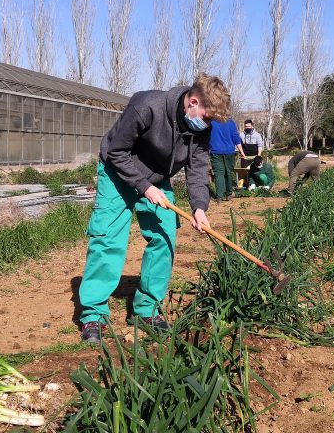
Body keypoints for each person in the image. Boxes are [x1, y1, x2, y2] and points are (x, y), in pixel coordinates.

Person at [77, 73, 229, 344]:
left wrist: (199, 208)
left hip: (158, 178)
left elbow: (197, 170)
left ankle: (146, 311)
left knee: (165, 236)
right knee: (108, 240)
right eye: (206, 117)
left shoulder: (202, 128)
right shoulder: (147, 106)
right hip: (118, 172)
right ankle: (93, 314)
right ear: (192, 101)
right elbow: (116, 152)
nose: (207, 125)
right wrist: (144, 187)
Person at [209, 118, 245, 200]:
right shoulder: (230, 123)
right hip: (229, 152)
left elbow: (207, 137)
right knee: (228, 172)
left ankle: (219, 196)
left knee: (219, 173)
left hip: (216, 151)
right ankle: (229, 194)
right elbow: (236, 137)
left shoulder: (211, 122)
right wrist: (241, 151)